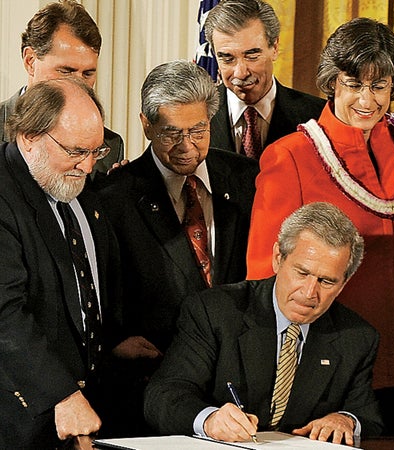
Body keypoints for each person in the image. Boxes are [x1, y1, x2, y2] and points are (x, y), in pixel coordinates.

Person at [245, 17, 394, 434]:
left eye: (380, 86)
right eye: (354, 84)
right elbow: (263, 274)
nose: (367, 99)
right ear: (332, 82)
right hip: (324, 362)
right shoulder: (290, 155)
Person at [97, 60, 259, 436]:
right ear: (146, 124)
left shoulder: (247, 178)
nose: (187, 146)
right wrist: (114, 344)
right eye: (171, 133)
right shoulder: (112, 197)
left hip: (236, 388)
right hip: (151, 389)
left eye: (198, 130)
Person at [145, 202, 381, 445]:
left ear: (344, 283)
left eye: (326, 281)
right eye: (302, 273)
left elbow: (367, 416)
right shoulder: (215, 311)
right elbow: (164, 394)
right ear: (278, 258)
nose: (310, 292)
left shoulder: (358, 337)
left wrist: (346, 420)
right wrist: (209, 420)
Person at [0, 78, 120, 448]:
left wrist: (114, 337)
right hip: (20, 419)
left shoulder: (75, 186)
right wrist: (61, 395)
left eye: (95, 151)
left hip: (84, 415)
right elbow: (5, 312)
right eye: (75, 151)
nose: (86, 166)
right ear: (29, 137)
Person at [0, 0, 123, 178]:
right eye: (66, 71)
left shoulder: (110, 146)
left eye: (88, 74)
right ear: (30, 61)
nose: (79, 85)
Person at [203, 0, 325, 158]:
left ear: (274, 48)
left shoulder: (318, 117)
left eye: (252, 56)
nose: (240, 73)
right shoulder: (196, 117)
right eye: (227, 58)